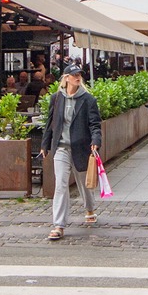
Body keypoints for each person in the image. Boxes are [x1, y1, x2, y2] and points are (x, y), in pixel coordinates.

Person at [39, 64, 101, 241]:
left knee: (85, 184)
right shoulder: (56, 99)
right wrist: (45, 145)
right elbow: (50, 123)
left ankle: (90, 208)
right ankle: (59, 225)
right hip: (61, 148)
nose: (77, 77)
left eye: (79, 74)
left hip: (81, 147)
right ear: (66, 78)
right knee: (61, 185)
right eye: (74, 75)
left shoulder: (88, 100)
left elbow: (95, 124)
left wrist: (96, 141)